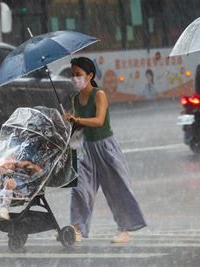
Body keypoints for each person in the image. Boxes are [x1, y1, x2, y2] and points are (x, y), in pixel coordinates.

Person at [65, 57, 147, 244]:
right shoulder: (75, 99)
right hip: (88, 149)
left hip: (106, 147)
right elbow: (79, 127)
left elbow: (99, 120)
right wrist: (69, 122)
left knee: (117, 189)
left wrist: (77, 120)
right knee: (79, 187)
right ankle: (77, 228)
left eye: (78, 74)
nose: (75, 78)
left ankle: (124, 230)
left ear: (90, 75)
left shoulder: (99, 94)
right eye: (72, 75)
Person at [0, 156, 43, 221]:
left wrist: (30, 164)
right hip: (4, 190)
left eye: (10, 161)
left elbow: (41, 173)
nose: (7, 163)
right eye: (6, 161)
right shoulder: (6, 172)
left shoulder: (23, 169)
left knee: (9, 182)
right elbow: (0, 169)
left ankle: (4, 209)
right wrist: (1, 166)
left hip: (21, 191)